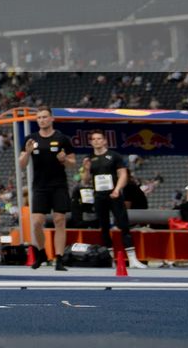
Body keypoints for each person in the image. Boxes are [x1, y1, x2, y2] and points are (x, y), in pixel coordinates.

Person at [85, 131, 145, 268]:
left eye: (99, 138)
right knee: (104, 227)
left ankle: (133, 259)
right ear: (91, 142)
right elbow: (86, 180)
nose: (96, 141)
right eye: (93, 139)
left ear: (104, 140)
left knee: (124, 225)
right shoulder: (89, 158)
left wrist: (117, 189)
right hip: (99, 197)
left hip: (115, 195)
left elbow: (122, 174)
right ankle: (110, 259)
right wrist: (86, 169)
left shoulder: (114, 156)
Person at [24, 109, 75, 270]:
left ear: (51, 119)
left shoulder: (62, 139)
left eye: (44, 117)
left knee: (60, 220)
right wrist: (27, 153)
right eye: (39, 118)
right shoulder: (31, 139)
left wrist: (64, 159)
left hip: (59, 185)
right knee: (37, 222)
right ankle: (41, 253)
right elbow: (21, 164)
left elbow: (73, 163)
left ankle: (59, 258)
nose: (42, 120)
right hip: (40, 186)